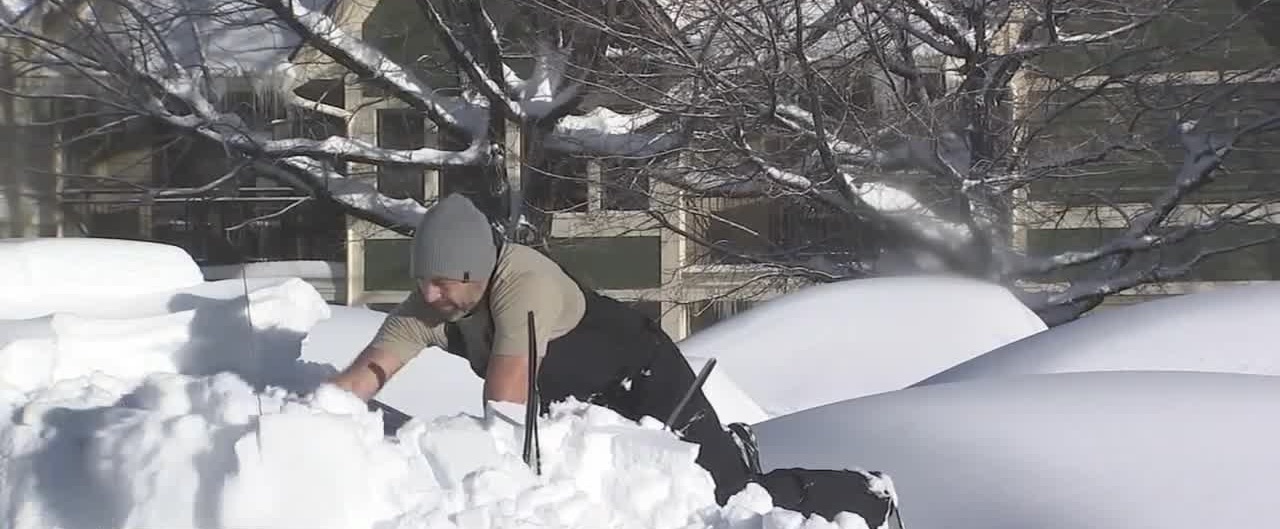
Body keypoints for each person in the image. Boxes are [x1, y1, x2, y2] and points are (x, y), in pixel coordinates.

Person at [330, 193, 901, 526]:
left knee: (727, 499)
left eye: (438, 283)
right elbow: (368, 372)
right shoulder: (434, 303)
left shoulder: (523, 284)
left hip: (646, 383)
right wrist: (317, 419)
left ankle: (863, 493)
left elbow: (505, 401)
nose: (427, 297)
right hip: (576, 410)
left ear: (474, 270)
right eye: (421, 284)